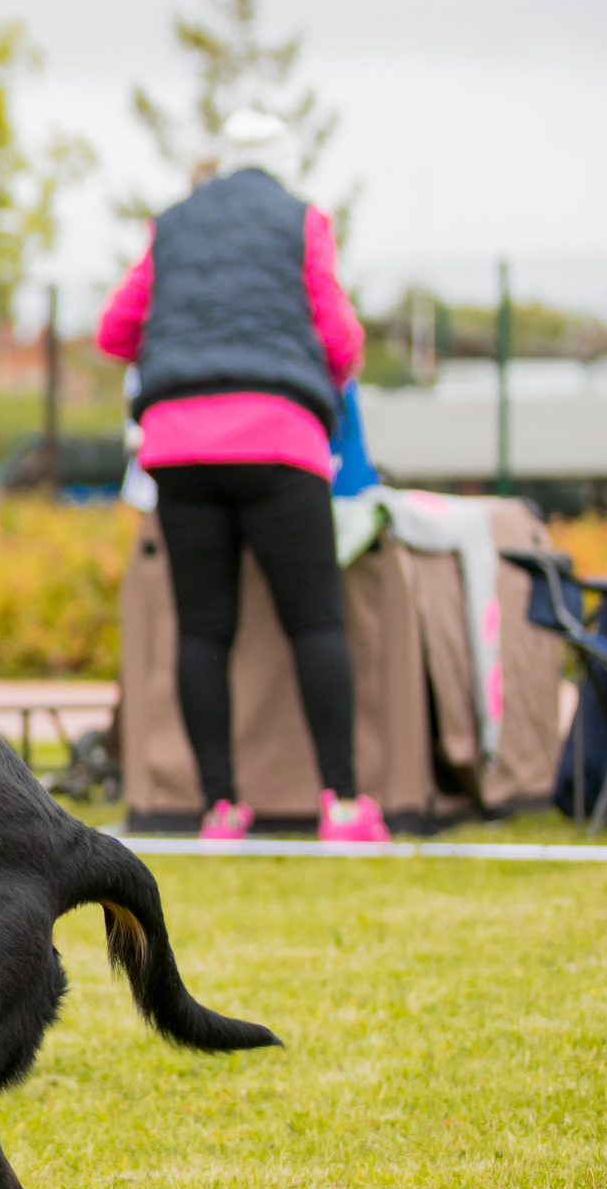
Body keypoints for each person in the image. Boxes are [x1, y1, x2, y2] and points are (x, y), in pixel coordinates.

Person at [97, 110, 388, 846]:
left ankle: (220, 809)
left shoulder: (171, 224)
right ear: (286, 162)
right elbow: (341, 338)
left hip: (176, 445)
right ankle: (342, 806)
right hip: (279, 438)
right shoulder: (302, 220)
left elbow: (114, 331)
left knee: (202, 630)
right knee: (314, 621)